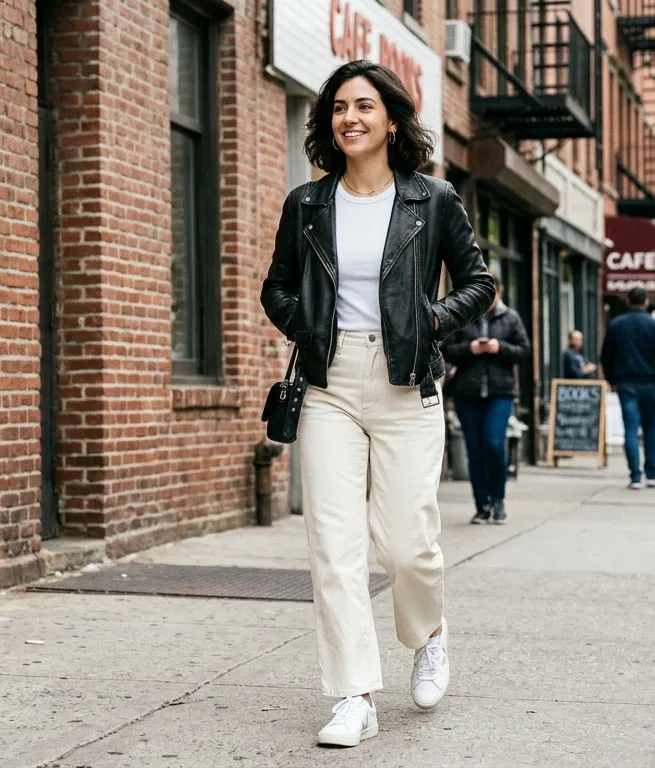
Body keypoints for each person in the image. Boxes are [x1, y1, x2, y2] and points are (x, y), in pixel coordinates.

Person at [260, 61, 495, 747]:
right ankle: (353, 695)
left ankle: (429, 633)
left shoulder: (433, 199)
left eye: (365, 105)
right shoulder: (308, 203)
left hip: (406, 380)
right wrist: (306, 328)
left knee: (405, 542)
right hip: (329, 383)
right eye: (338, 108)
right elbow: (276, 287)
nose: (349, 117)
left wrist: (431, 318)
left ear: (393, 119)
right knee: (333, 545)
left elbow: (480, 283)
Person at [442, 273, 530, 525]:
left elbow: (524, 350)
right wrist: (470, 349)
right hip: (467, 393)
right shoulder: (462, 315)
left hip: (499, 393)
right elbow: (445, 349)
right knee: (475, 450)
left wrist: (499, 348)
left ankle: (499, 501)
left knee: (493, 444)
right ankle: (482, 505)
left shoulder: (510, 317)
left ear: (499, 293)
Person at [600, 287, 655, 489]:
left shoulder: (616, 325)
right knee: (651, 427)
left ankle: (635, 475)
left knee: (630, 429)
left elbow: (606, 355)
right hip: (651, 383)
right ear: (646, 302)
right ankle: (651, 474)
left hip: (627, 382)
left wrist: (611, 379)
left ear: (627, 301)